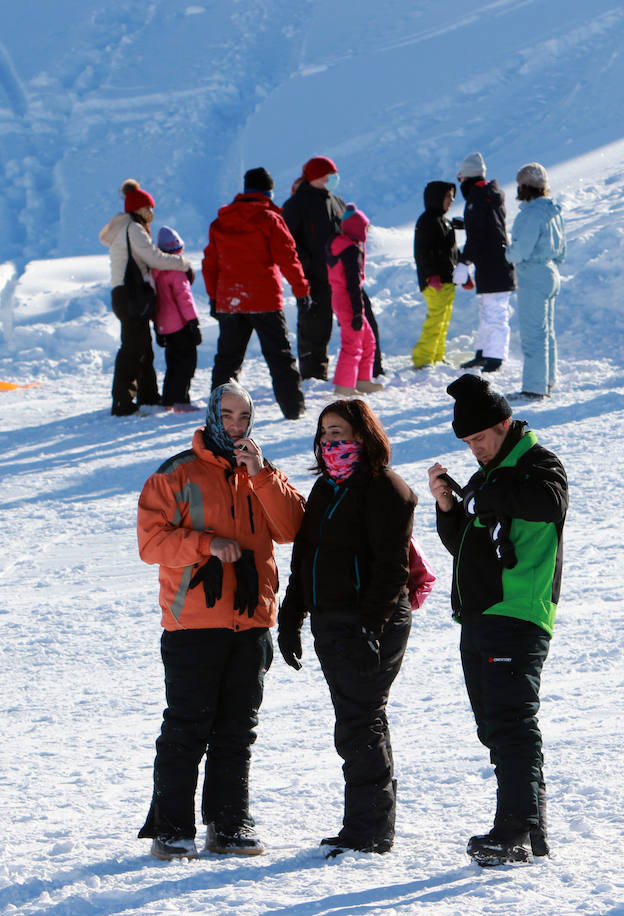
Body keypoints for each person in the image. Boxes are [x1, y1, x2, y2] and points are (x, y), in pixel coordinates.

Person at [135, 382, 306, 860]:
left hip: (252, 620)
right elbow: (151, 544)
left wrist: (263, 475)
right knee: (187, 725)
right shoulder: (175, 474)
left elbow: (293, 528)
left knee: (237, 728)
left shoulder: (263, 470)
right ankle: (172, 829)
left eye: (244, 418)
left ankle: (229, 824)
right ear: (212, 415)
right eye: (227, 415)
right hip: (193, 623)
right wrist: (206, 544)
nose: (235, 426)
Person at [426, 374, 567, 866]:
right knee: (496, 727)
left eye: (480, 438)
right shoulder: (490, 476)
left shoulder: (536, 464)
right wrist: (449, 508)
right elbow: (469, 548)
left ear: (505, 424)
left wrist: (488, 492)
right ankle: (531, 828)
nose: (475, 450)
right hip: (481, 615)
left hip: (518, 613)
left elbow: (548, 502)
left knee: (511, 723)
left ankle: (513, 830)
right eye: (467, 443)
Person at [277, 399, 417, 857]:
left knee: (360, 720)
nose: (330, 441)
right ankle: (368, 824)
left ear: (363, 436)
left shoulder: (385, 488)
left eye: (339, 432)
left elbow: (391, 569)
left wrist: (369, 626)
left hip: (368, 620)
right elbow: (305, 558)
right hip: (331, 621)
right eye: (324, 433)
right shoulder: (325, 490)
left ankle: (370, 829)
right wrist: (291, 615)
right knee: (358, 719)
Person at [204, 168, 310, 421]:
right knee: (280, 357)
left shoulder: (220, 222)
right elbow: (288, 257)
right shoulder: (269, 219)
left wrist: (214, 299)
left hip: (230, 301)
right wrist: (300, 289)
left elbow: (210, 265)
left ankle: (219, 412)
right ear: (268, 191)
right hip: (264, 300)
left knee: (227, 361)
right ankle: (293, 409)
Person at [100, 179, 191, 415]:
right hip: (131, 294)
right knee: (133, 347)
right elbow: (153, 258)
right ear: (140, 209)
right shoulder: (134, 229)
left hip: (126, 294)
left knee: (142, 346)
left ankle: (148, 396)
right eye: (148, 208)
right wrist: (182, 264)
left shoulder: (126, 228)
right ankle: (122, 401)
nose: (151, 213)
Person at [282, 156, 347, 381]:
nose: (333, 179)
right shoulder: (296, 204)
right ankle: (312, 375)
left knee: (338, 323)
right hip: (313, 277)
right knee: (313, 326)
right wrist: (306, 267)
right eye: (329, 175)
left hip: (339, 274)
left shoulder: (337, 201)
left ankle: (366, 369)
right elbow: (288, 241)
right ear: (316, 176)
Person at [504, 163, 566, 399]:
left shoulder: (531, 214)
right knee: (547, 332)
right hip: (550, 272)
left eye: (519, 185)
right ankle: (548, 380)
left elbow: (522, 250)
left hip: (533, 275)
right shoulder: (553, 210)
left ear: (527, 186)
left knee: (533, 334)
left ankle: (534, 388)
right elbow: (562, 250)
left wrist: (509, 253)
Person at [456, 153, 516, 373]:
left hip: (495, 264)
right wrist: (467, 224)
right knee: (487, 310)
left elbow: (479, 236)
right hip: (491, 263)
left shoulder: (480, 199)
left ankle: (496, 356)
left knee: (496, 311)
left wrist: (464, 262)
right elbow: (486, 228)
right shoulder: (484, 196)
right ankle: (484, 352)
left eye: (460, 178)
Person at [326, 205, 385, 397]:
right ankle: (344, 386)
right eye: (364, 227)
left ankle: (362, 380)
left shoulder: (339, 244)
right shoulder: (350, 250)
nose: (366, 231)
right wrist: (358, 311)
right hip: (348, 300)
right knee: (352, 343)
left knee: (368, 339)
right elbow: (352, 283)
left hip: (342, 298)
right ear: (356, 227)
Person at [411, 180, 461, 369]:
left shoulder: (445, 222)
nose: (452, 200)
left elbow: (451, 250)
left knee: (443, 320)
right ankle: (423, 358)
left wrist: (463, 271)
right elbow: (423, 252)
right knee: (435, 319)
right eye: (448, 196)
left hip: (448, 279)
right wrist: (431, 275)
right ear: (437, 198)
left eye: (452, 196)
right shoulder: (427, 221)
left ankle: (437, 356)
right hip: (435, 281)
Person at [152, 226, 202, 409]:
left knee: (172, 363)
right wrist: (193, 322)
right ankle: (181, 400)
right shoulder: (177, 271)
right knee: (187, 363)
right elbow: (184, 299)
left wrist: (158, 328)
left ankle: (169, 399)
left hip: (165, 326)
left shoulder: (155, 273)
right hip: (180, 325)